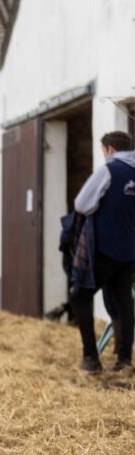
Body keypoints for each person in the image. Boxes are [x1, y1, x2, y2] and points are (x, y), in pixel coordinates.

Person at [70, 131, 135, 373]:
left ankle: (91, 359)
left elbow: (82, 204)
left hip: (105, 247)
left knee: (80, 296)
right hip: (129, 250)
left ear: (109, 149)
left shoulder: (109, 169)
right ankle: (125, 361)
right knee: (124, 301)